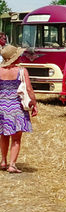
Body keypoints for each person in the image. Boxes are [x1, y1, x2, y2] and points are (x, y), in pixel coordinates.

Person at [0, 45, 37, 173]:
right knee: (16, 138)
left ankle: (3, 161)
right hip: (16, 107)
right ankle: (12, 165)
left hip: (1, 107)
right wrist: (34, 104)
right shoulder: (21, 71)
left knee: (4, 135)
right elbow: (28, 89)